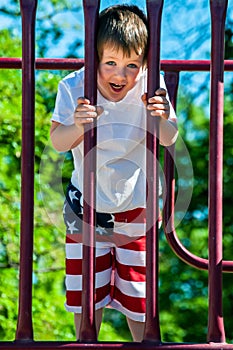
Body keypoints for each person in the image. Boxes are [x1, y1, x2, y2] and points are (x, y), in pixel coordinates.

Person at [50, 4, 178, 342]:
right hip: (86, 207)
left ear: (146, 63)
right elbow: (58, 143)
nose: (120, 75)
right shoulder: (73, 86)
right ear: (94, 58)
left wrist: (162, 117)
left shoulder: (151, 85)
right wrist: (76, 125)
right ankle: (86, 342)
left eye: (131, 65)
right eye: (110, 63)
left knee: (140, 295)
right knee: (85, 295)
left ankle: (145, 343)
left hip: (137, 205)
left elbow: (170, 138)